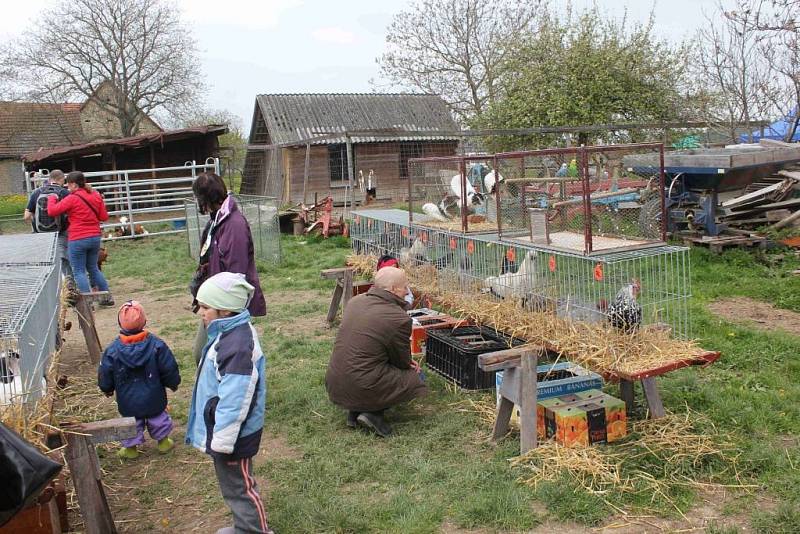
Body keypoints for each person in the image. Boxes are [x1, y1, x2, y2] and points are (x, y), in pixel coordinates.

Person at [186, 272, 271, 534]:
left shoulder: (236, 347)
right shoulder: (228, 333)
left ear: (223, 310)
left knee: (240, 488)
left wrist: (223, 441)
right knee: (232, 485)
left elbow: (236, 399)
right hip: (225, 431)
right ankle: (243, 526)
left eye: (205, 307)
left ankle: (256, 531)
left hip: (232, 435)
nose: (200, 312)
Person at [325, 267, 428, 437]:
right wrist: (411, 366)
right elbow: (400, 361)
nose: (407, 291)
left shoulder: (355, 301)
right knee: (416, 377)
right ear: (394, 289)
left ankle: (355, 410)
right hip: (362, 383)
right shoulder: (398, 317)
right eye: (404, 287)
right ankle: (373, 414)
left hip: (335, 382)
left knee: (367, 367)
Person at [190, 173, 266, 365]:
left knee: (208, 353)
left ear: (205, 199)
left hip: (226, 303)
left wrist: (224, 307)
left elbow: (236, 273)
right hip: (215, 299)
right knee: (206, 354)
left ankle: (234, 386)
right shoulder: (217, 220)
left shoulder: (234, 225)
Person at [98, 301, 181, 459]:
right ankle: (163, 442)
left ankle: (131, 449)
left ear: (119, 323)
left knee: (131, 423)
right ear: (144, 321)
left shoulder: (112, 350)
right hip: (154, 396)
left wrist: (106, 388)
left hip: (127, 399)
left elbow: (105, 372)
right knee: (158, 417)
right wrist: (173, 382)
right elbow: (168, 367)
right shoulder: (157, 345)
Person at [46, 171, 114, 306]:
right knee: (93, 268)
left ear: (74, 185)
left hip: (78, 239)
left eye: (68, 185)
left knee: (79, 271)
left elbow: (52, 211)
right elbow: (104, 217)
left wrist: (52, 198)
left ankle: (87, 304)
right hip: (95, 237)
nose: (67, 187)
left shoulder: (72, 198)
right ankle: (107, 298)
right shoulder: (95, 195)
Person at [23, 169, 71, 279]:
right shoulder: (64, 193)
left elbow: (26, 216)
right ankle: (67, 285)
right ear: (62, 179)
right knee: (62, 258)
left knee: (44, 259)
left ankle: (46, 283)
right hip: (60, 232)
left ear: (49, 179)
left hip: (40, 233)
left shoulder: (37, 192)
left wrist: (36, 223)